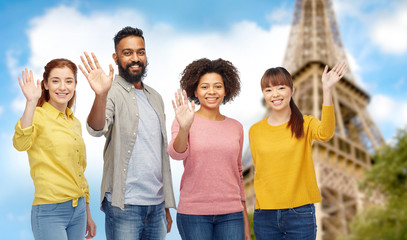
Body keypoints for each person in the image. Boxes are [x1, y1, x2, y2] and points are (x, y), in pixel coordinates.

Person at [79, 26, 176, 240]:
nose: (135, 58)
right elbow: (96, 129)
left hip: (157, 206)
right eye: (127, 52)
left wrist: (166, 205)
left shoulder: (156, 98)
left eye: (140, 52)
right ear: (116, 57)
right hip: (125, 205)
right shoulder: (111, 92)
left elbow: (159, 155)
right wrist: (100, 95)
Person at [249, 62, 347, 239]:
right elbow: (260, 170)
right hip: (265, 215)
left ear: (292, 91)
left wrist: (327, 90)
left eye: (281, 87)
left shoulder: (305, 123)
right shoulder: (255, 131)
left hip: (300, 213)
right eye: (268, 90)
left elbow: (326, 133)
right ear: (264, 95)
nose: (275, 94)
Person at [12, 59, 97, 240]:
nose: (62, 87)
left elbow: (80, 171)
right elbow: (20, 143)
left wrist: (87, 212)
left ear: (75, 85)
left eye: (68, 81)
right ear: (46, 84)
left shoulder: (74, 122)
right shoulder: (37, 115)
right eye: (56, 80)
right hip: (50, 211)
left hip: (79, 209)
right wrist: (31, 102)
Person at [168, 58, 251, 240]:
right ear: (195, 91)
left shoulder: (236, 127)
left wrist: (244, 215)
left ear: (226, 89)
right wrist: (184, 127)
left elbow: (238, 172)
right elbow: (176, 153)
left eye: (217, 86)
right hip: (193, 212)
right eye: (204, 87)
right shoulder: (184, 120)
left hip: (232, 213)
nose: (211, 91)